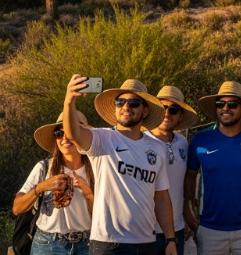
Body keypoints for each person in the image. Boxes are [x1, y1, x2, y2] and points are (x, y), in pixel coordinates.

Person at [60, 75, 177, 255]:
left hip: (146, 242)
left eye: (134, 103)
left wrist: (170, 239)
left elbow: (161, 197)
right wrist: (69, 101)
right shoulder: (102, 138)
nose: (126, 107)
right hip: (108, 243)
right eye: (120, 101)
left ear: (145, 111)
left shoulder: (157, 148)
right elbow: (74, 134)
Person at [185, 81, 241, 255]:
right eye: (220, 104)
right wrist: (189, 211)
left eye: (232, 104)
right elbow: (190, 176)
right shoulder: (200, 139)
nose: (225, 108)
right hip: (210, 229)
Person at [14, 110, 95, 255]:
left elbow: (104, 215)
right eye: (59, 134)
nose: (64, 138)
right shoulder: (44, 168)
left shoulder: (95, 170)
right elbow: (17, 208)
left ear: (82, 135)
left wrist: (89, 194)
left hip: (86, 244)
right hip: (48, 244)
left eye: (70, 133)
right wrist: (40, 188)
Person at [146, 86, 199, 255]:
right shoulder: (141, 141)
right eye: (162, 107)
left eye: (173, 109)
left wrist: (185, 220)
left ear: (180, 115)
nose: (167, 113)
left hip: (176, 229)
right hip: (145, 231)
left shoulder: (182, 142)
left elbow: (181, 185)